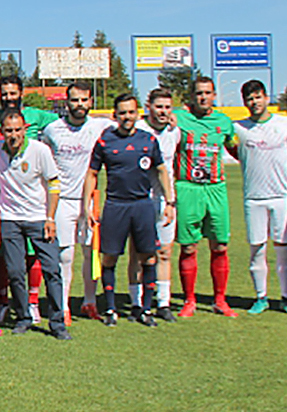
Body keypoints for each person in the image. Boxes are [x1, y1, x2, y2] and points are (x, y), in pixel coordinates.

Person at [83, 94, 176, 327]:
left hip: (142, 205)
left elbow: (162, 170)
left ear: (138, 114)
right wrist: (87, 204)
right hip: (115, 205)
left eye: (131, 112)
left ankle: (145, 309)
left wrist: (170, 202)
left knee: (148, 257)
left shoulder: (148, 140)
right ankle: (112, 309)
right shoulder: (105, 141)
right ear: (115, 115)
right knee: (110, 257)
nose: (127, 117)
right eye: (122, 113)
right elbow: (92, 173)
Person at [0, 109, 70, 340]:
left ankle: (57, 323)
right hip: (10, 219)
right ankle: (23, 317)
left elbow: (53, 184)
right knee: (15, 272)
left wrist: (50, 218)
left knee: (52, 269)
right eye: (8, 130)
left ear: (25, 129)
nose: (13, 135)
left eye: (17, 130)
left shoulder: (40, 150)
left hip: (39, 219)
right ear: (1, 132)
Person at [39, 82, 113, 320]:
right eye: (74, 100)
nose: (79, 105)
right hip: (63, 200)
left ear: (90, 101)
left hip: (89, 200)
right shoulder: (52, 129)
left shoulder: (100, 126)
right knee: (65, 255)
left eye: (84, 100)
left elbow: (130, 123)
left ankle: (90, 302)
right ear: (66, 102)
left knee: (91, 252)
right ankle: (63, 306)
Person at [229, 80, 287, 315]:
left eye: (258, 97)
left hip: (281, 196)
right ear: (244, 102)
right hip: (254, 198)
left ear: (267, 98)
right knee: (257, 249)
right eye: (249, 99)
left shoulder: (286, 124)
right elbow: (233, 148)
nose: (254, 102)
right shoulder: (239, 127)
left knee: (283, 248)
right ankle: (261, 297)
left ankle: (286, 298)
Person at [173, 77, 239, 317]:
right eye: (199, 93)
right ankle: (189, 300)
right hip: (188, 188)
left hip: (216, 189)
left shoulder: (224, 122)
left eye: (208, 93)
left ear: (214, 96)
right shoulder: (178, 118)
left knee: (220, 245)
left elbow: (235, 147)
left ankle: (219, 300)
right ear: (192, 96)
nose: (203, 97)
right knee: (189, 247)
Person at [131, 89, 181, 317]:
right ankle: (137, 303)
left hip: (165, 201)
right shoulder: (138, 130)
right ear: (148, 106)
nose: (163, 111)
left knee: (164, 253)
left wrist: (171, 201)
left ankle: (163, 303)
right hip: (139, 199)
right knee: (138, 253)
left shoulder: (174, 132)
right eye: (159, 106)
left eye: (167, 107)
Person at [0, 74, 59, 138]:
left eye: (13, 93)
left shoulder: (35, 115)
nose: (8, 98)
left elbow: (63, 122)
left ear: (21, 94)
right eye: (4, 94)